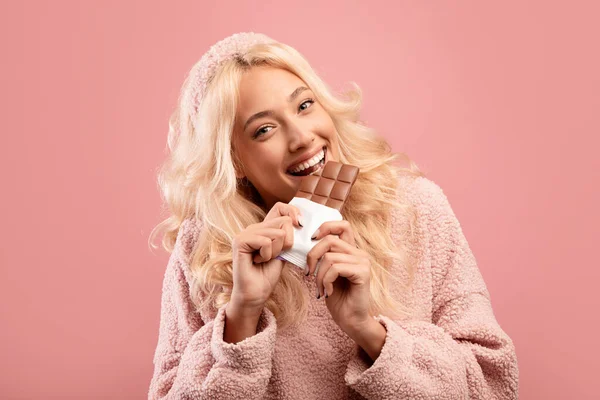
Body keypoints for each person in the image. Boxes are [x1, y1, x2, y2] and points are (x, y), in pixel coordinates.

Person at [147, 32, 519, 399]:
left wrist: (368, 331)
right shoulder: (205, 250)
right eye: (264, 130)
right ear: (235, 161)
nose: (302, 137)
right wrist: (242, 315)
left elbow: (492, 384)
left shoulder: (415, 209)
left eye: (304, 105)